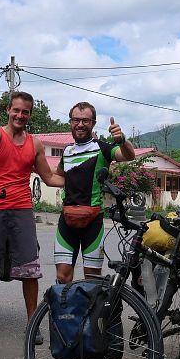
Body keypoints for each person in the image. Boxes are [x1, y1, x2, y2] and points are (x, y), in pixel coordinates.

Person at [0, 91, 64, 342]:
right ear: (9, 111)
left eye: (25, 112)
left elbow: (50, 177)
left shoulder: (35, 144)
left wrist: (78, 180)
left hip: (22, 210)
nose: (20, 115)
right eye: (16, 110)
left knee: (29, 269)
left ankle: (32, 323)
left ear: (30, 114)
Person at [54, 102, 136, 284]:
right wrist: (32, 165)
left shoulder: (103, 148)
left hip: (93, 221)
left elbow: (129, 155)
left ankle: (88, 304)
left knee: (92, 279)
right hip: (67, 219)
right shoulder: (67, 151)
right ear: (70, 122)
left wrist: (122, 139)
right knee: (62, 276)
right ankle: (66, 303)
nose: (80, 124)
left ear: (93, 123)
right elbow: (58, 176)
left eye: (85, 120)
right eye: (76, 120)